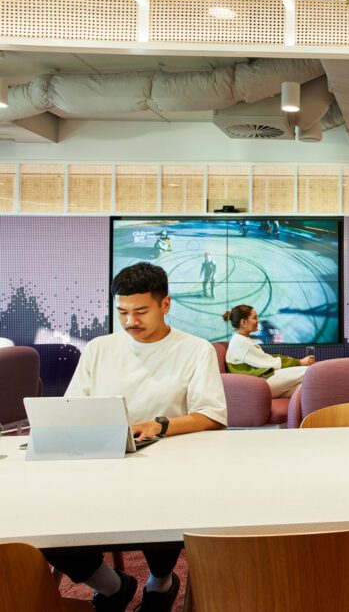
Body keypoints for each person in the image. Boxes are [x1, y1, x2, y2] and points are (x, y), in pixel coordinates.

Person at [45, 262, 227, 612]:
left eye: (141, 311)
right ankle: (112, 586)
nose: (130, 322)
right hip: (100, 461)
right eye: (123, 312)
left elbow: (212, 416)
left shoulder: (194, 349)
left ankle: (161, 583)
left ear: (166, 305)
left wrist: (158, 426)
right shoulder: (100, 348)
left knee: (163, 507)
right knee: (46, 520)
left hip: (167, 464)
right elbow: (72, 407)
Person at [223, 304, 314, 397]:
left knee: (304, 387)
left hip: (257, 382)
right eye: (254, 318)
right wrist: (299, 362)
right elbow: (272, 362)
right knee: (311, 371)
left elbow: (267, 359)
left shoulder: (240, 340)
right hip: (259, 385)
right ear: (244, 322)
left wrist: (296, 362)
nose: (258, 321)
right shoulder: (242, 343)